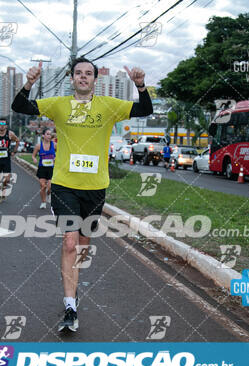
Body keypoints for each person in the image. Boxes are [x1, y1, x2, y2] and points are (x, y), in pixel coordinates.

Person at [12, 57, 153, 332]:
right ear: (72, 78)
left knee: (82, 248)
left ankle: (72, 283)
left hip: (96, 187)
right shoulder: (59, 105)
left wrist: (141, 85)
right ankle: (70, 305)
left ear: (95, 80)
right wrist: (29, 82)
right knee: (69, 242)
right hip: (64, 184)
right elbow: (20, 106)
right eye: (79, 73)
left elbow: (144, 109)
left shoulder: (110, 106)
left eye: (88, 73)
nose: (83, 77)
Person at [32, 128, 56, 209]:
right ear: (43, 135)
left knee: (50, 187)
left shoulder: (54, 145)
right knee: (43, 186)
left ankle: (49, 194)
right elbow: (33, 155)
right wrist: (34, 159)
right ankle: (43, 202)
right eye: (48, 134)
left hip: (51, 169)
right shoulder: (38, 146)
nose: (49, 136)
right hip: (42, 168)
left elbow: (60, 153)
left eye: (50, 134)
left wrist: (57, 158)